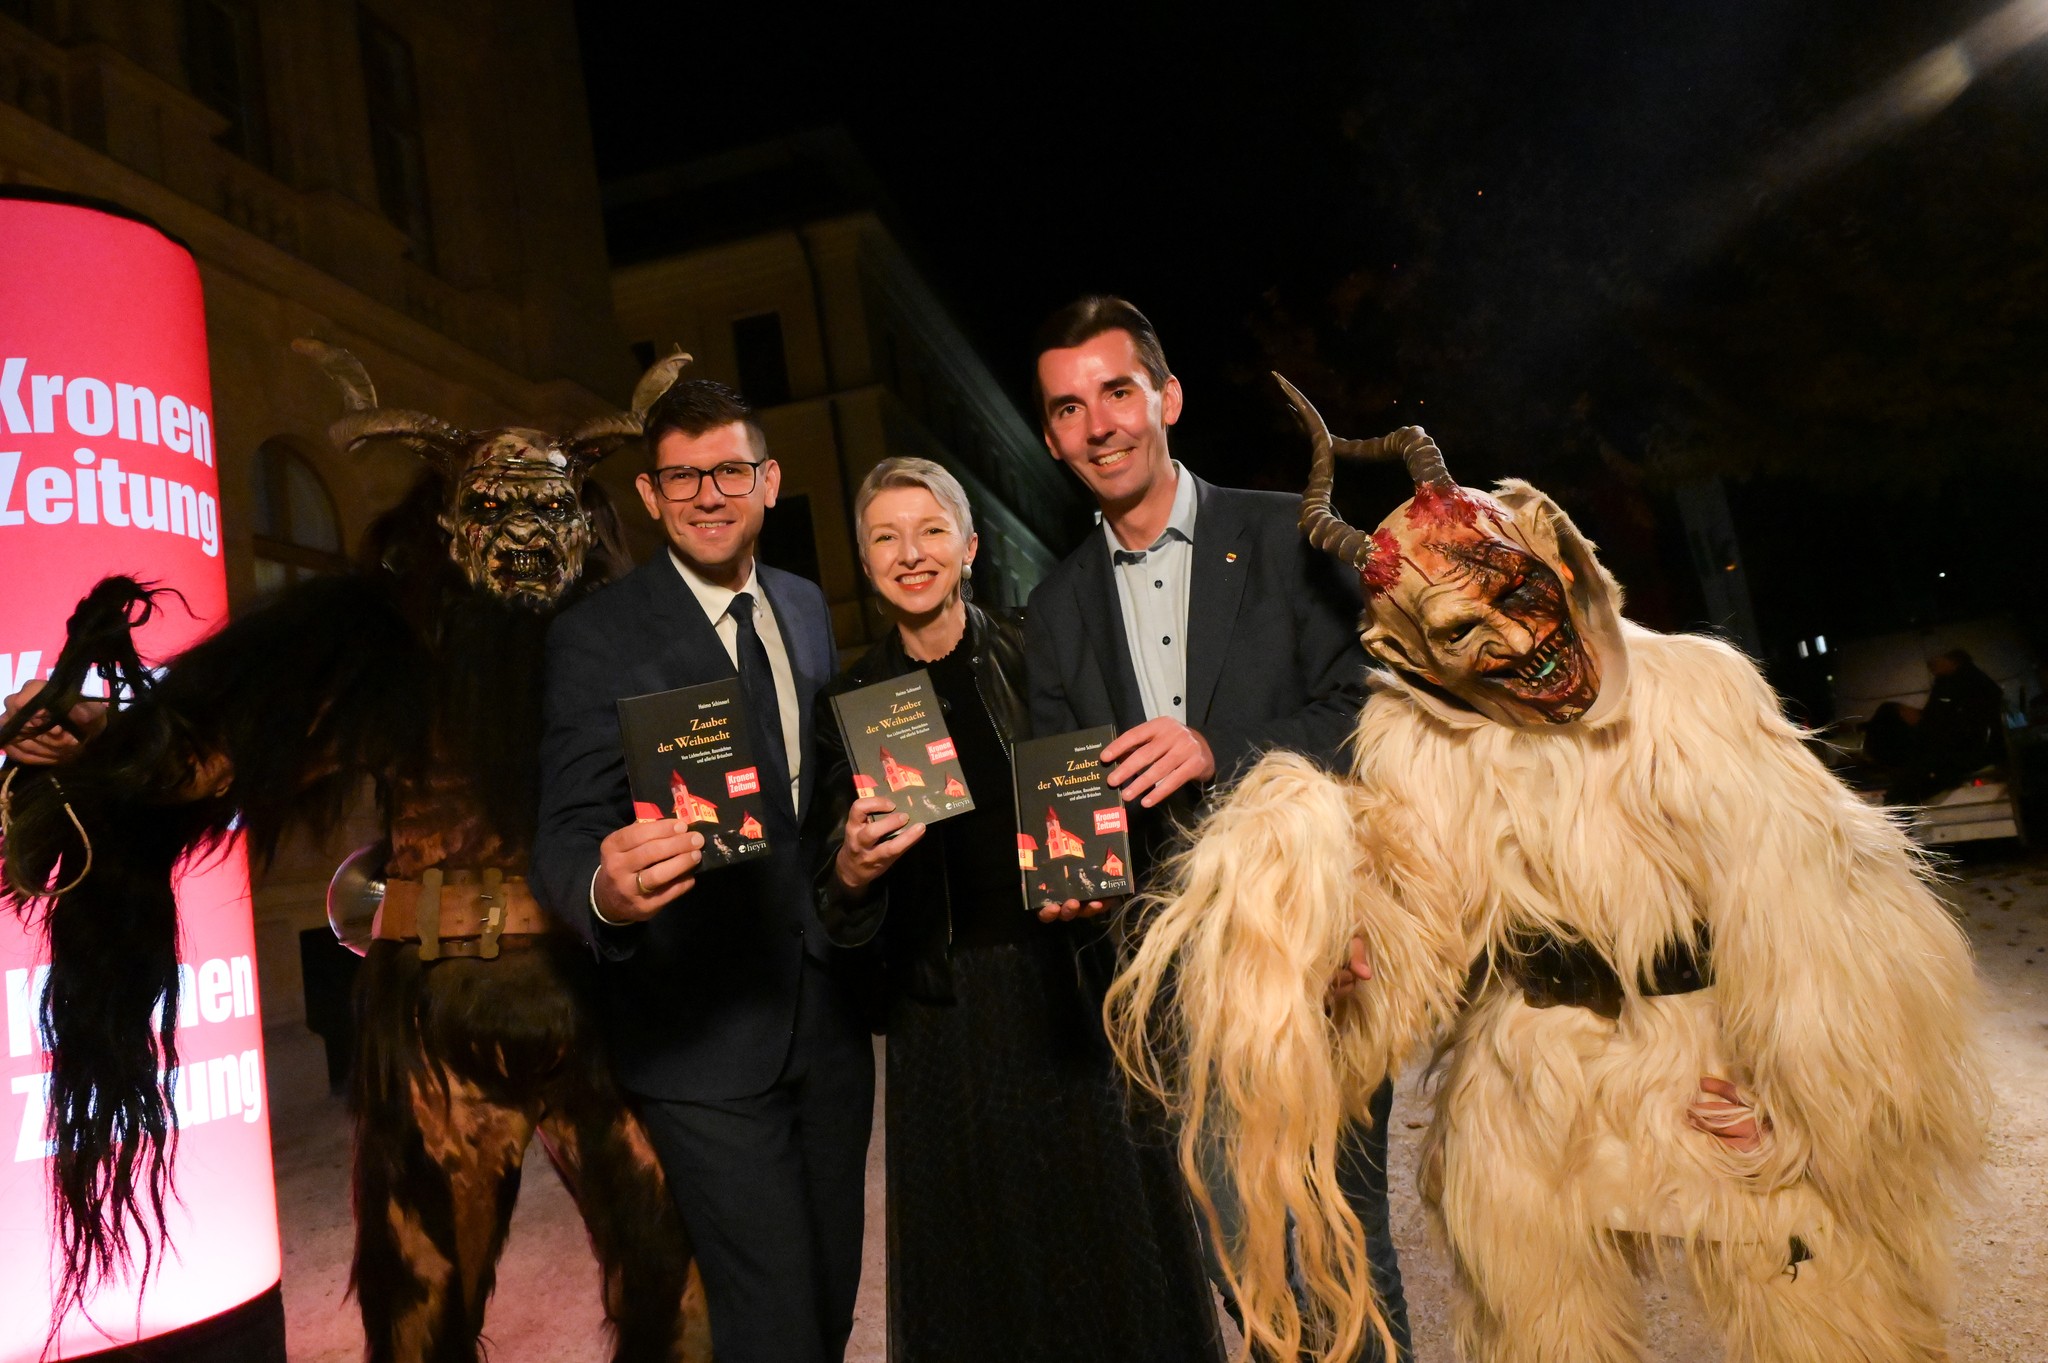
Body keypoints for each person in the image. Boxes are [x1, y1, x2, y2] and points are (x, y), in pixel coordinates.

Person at [1108, 386, 1985, 1363]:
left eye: (1514, 586)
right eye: (1459, 628)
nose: (1518, 635)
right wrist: (1325, 947)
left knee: (1829, 1318)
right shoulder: (1413, 746)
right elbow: (1409, 927)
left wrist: (1803, 1100)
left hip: (1711, 1061)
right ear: (1405, 654)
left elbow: (1830, 906)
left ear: (1551, 563)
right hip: (1529, 1086)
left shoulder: (1693, 695)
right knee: (1534, 1327)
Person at [1021, 296, 1404, 1356]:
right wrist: (1069, 879)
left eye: (1116, 391)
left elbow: (1366, 711)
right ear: (1050, 435)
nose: (1098, 424)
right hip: (1180, 985)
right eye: (1068, 407)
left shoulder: (1281, 534)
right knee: (1244, 1263)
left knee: (1347, 1252)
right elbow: (1070, 804)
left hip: (1313, 954)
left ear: (1165, 398)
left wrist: (1212, 746)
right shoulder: (1051, 610)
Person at [808, 457, 1224, 1363]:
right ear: (865, 560)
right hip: (945, 1014)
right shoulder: (846, 701)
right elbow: (832, 904)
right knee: (978, 1265)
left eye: (929, 531)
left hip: (1069, 986)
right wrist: (848, 866)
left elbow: (1138, 819)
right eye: (884, 536)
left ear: (969, 547)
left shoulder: (1047, 651)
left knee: (1108, 1240)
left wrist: (1108, 876)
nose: (909, 553)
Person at [532, 380, 871, 1363]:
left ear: (767, 481)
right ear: (648, 494)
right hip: (701, 1033)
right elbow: (562, 823)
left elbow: (810, 791)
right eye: (683, 477)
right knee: (770, 1324)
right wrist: (604, 889)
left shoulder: (804, 607)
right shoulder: (594, 634)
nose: (707, 495)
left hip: (828, 1018)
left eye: (728, 471)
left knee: (831, 1298)